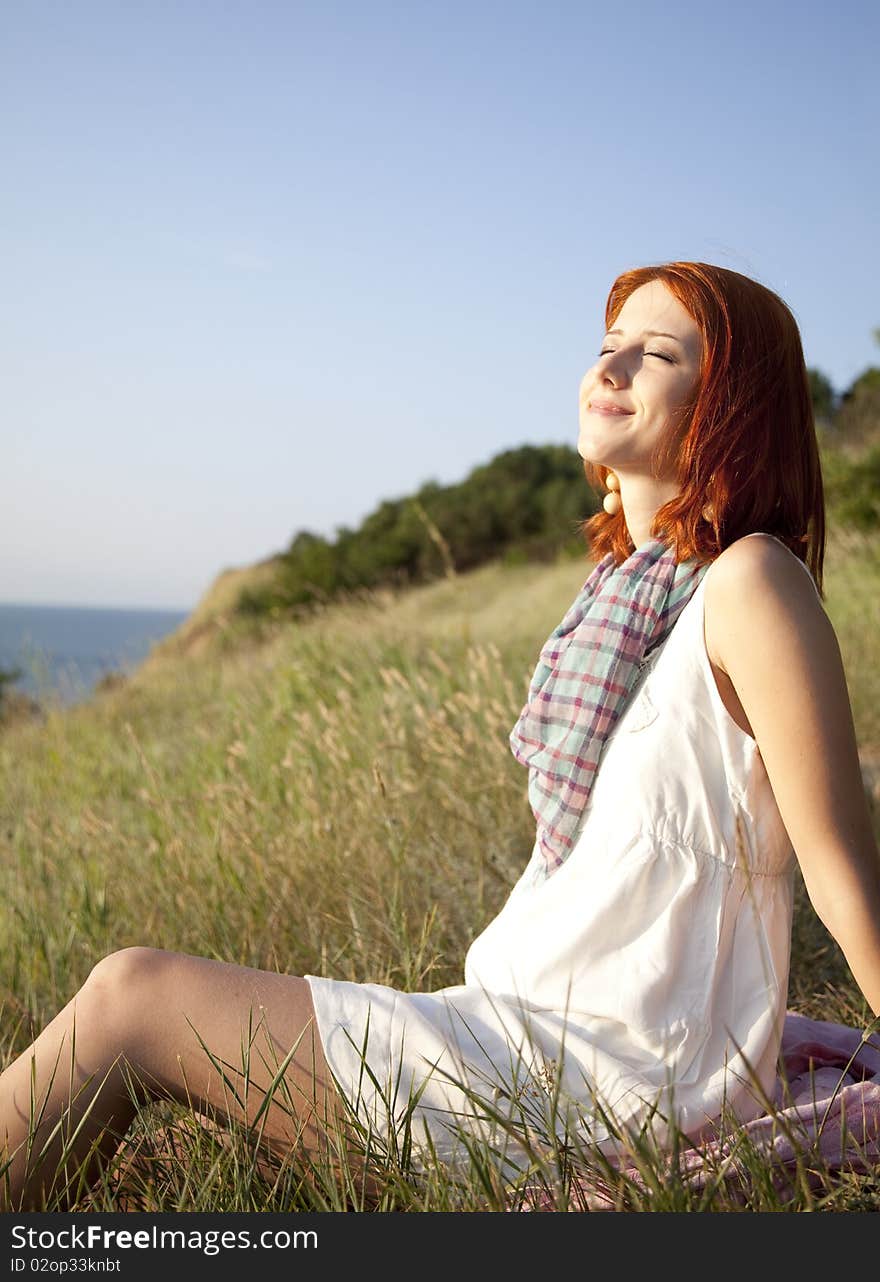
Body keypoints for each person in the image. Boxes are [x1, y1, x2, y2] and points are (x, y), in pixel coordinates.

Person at [2, 261, 879, 1210]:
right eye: (606, 346)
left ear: (730, 405)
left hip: (606, 1081)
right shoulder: (625, 601)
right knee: (134, 1000)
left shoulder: (751, 584)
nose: (612, 367)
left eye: (658, 352)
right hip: (518, 1034)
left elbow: (841, 866)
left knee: (134, 997)